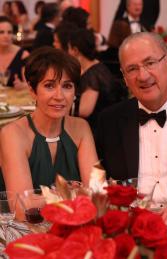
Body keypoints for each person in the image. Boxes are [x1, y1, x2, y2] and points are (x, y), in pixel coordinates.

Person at [96, 32, 167, 226]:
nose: (142, 76)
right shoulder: (109, 120)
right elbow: (96, 178)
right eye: (132, 69)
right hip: (129, 223)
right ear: (124, 77)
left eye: (150, 63)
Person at [0, 47, 98, 196]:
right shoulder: (13, 134)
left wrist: (48, 198)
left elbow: (97, 193)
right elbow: (23, 208)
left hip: (76, 219)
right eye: (49, 86)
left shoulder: (81, 127)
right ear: (32, 91)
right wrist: (73, 193)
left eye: (67, 86)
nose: (59, 96)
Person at [0, 16, 29, 88]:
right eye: (1, 32)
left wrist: (22, 85)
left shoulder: (23, 55)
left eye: (9, 32)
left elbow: (30, 84)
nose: (6, 36)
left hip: (16, 98)